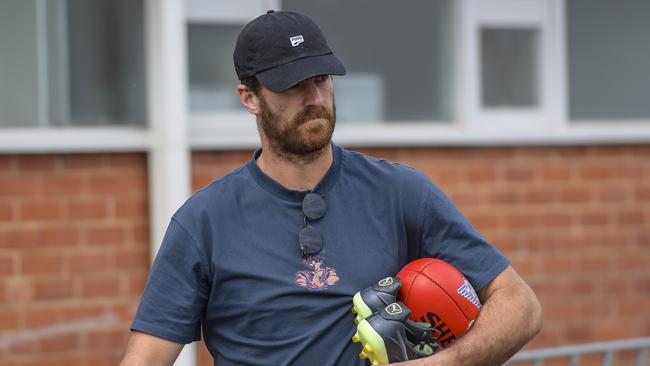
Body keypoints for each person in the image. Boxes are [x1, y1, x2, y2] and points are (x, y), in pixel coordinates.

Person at [120, 10, 542, 366]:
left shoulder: (401, 193)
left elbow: (520, 305)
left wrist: (444, 363)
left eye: (321, 78)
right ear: (249, 97)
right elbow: (147, 356)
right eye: (293, 85)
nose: (315, 97)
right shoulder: (204, 222)